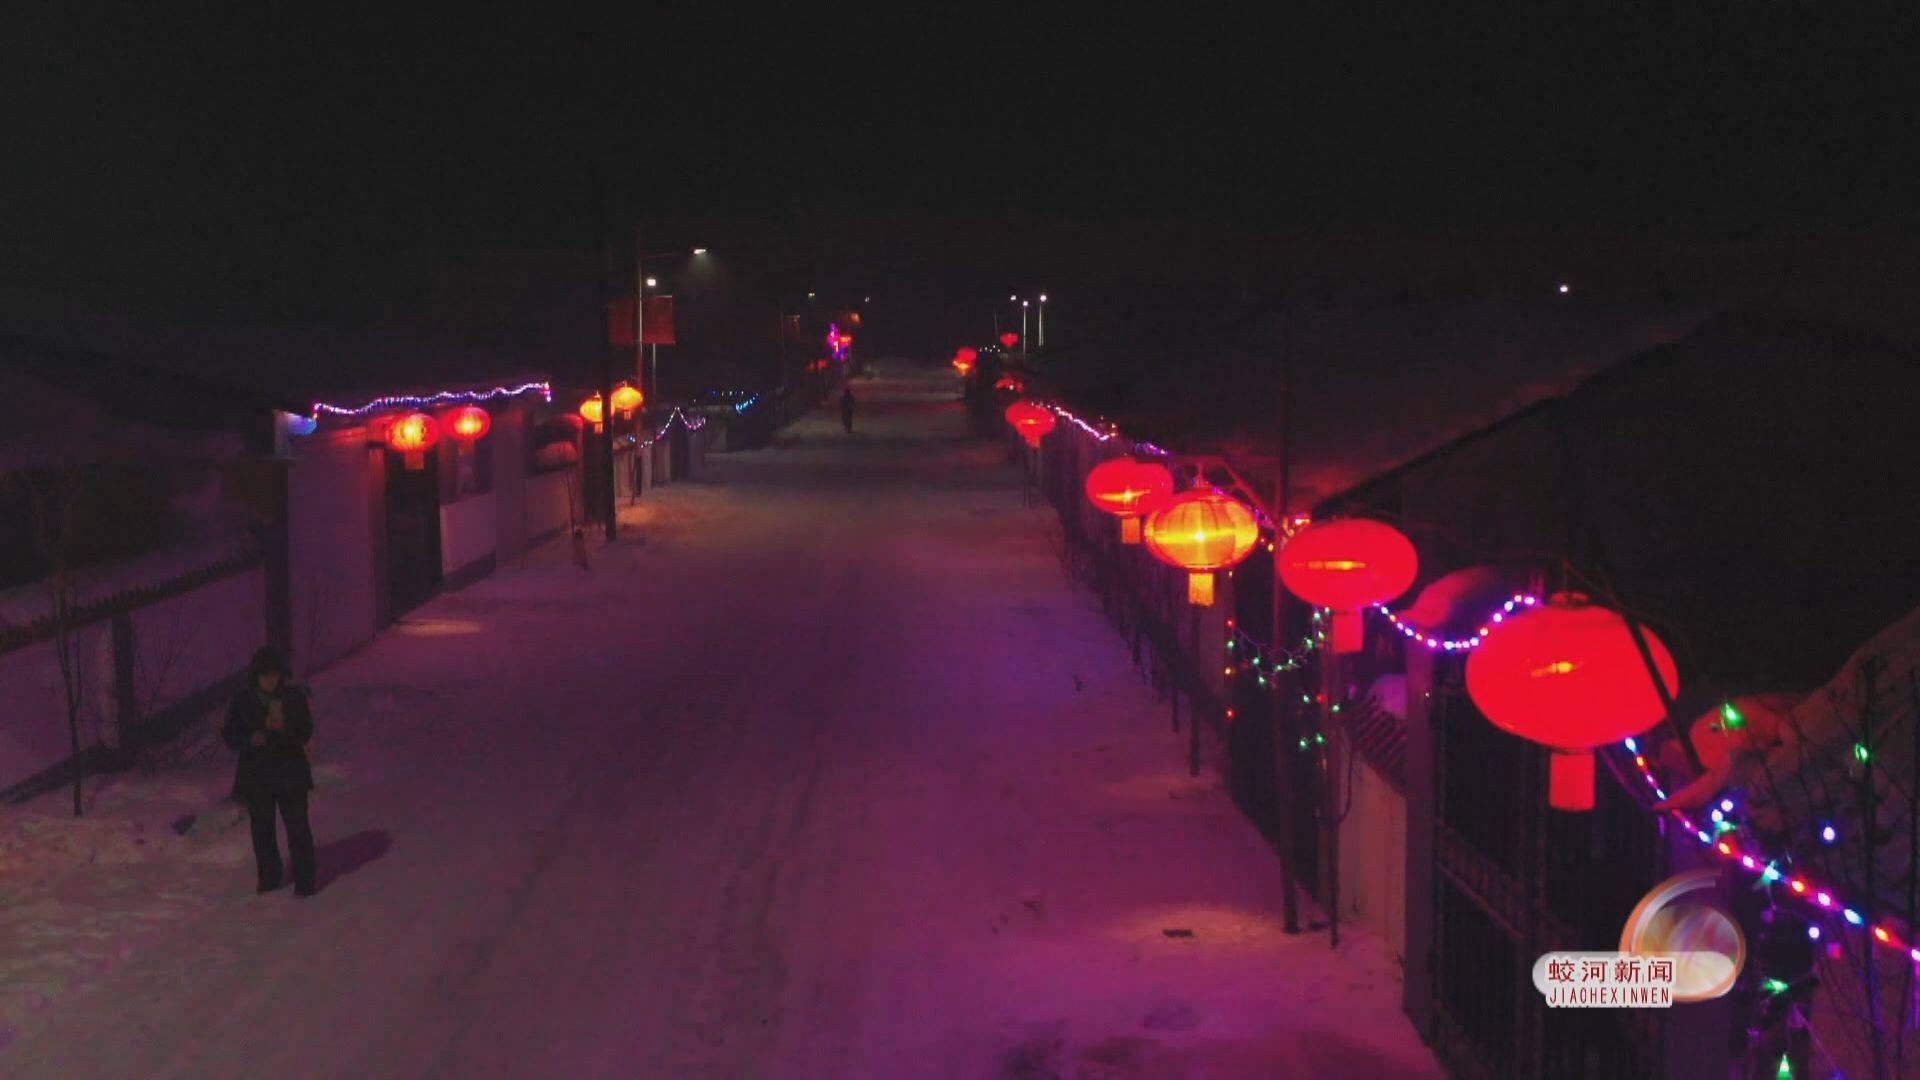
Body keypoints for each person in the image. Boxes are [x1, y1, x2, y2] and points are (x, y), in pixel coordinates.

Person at [221, 646, 318, 896]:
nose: (270, 680)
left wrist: (282, 731)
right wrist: (249, 738)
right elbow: (229, 736)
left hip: (290, 775)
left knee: (297, 829)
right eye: (265, 675)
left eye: (274, 674)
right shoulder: (242, 700)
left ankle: (305, 882)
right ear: (256, 676)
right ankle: (269, 880)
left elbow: (305, 730)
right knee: (262, 831)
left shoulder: (293, 698)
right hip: (258, 778)